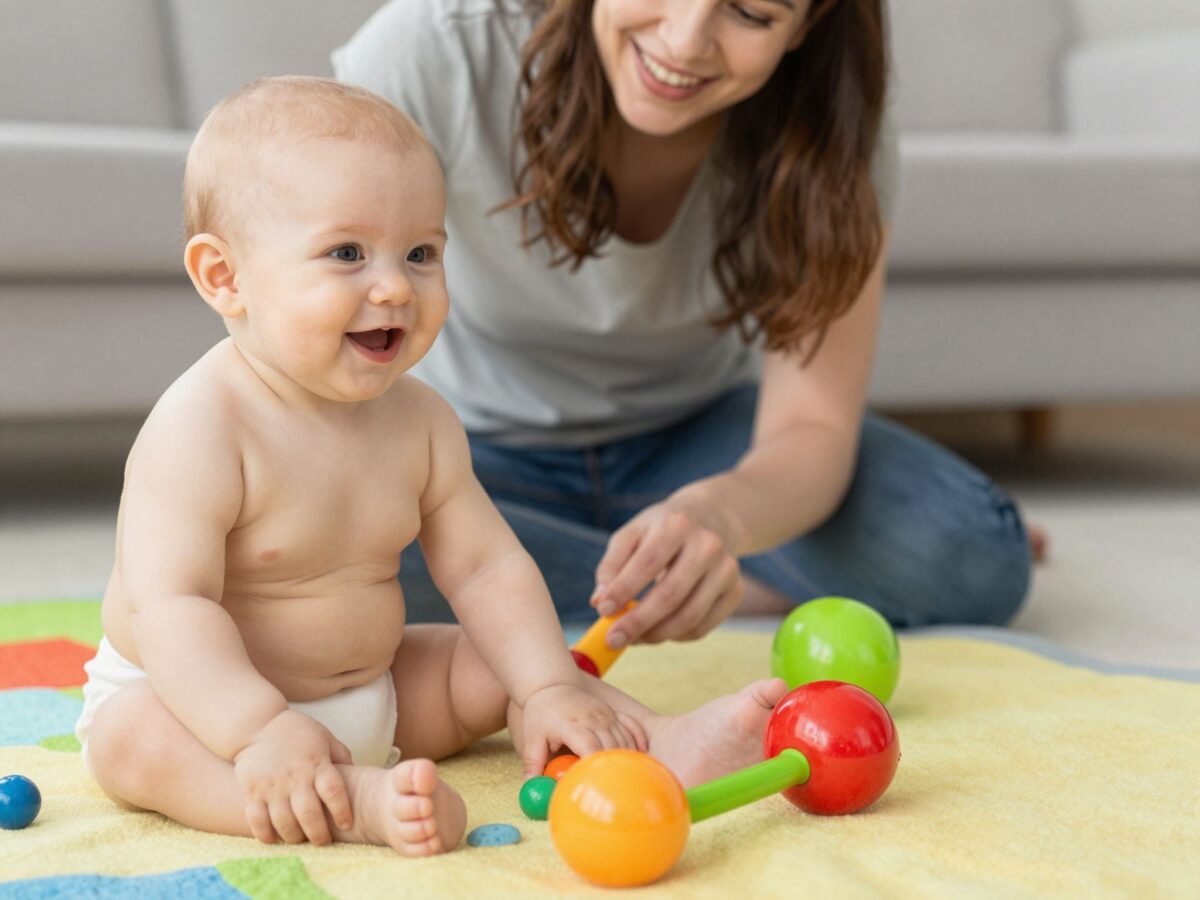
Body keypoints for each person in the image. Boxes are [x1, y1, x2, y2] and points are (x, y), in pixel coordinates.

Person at [73, 76, 789, 857]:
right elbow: (169, 608)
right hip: (209, 716)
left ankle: (646, 741)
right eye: (346, 253)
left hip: (379, 693)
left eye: (421, 253)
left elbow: (485, 567)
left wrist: (543, 684)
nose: (393, 286)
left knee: (505, 653)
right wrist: (259, 730)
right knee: (131, 743)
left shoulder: (421, 420)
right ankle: (357, 806)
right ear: (225, 277)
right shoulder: (200, 428)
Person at [332, 0, 1033, 648]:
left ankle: (554, 580)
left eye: (752, 12)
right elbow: (308, 304)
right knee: (320, 549)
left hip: (693, 439)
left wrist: (718, 518)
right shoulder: (437, 47)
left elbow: (811, 427)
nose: (684, 41)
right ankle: (693, 588)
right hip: (460, 446)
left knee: (969, 550)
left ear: (808, 25)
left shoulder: (834, 123)